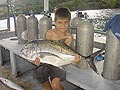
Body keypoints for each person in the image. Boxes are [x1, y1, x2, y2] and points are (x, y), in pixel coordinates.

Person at [33, 7, 80, 90]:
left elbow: (65, 53)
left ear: (69, 22)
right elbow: (45, 49)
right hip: (47, 61)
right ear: (54, 22)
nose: (63, 25)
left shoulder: (69, 37)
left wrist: (74, 61)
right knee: (41, 75)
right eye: (59, 22)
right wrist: (38, 59)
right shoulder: (49, 33)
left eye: (65, 22)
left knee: (55, 85)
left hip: (60, 63)